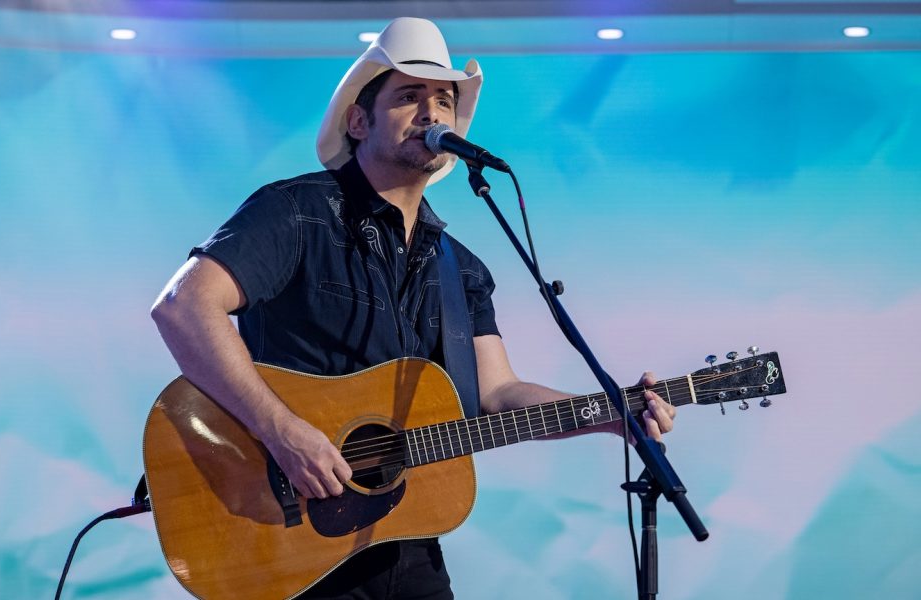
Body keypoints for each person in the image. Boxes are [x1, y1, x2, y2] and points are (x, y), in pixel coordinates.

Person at [150, 17, 676, 600]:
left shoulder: (461, 269)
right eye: (408, 97)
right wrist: (283, 433)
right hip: (283, 541)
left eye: (444, 100)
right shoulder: (296, 213)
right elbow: (183, 305)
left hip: (401, 542)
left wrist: (612, 414)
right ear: (358, 120)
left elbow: (495, 396)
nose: (432, 113)